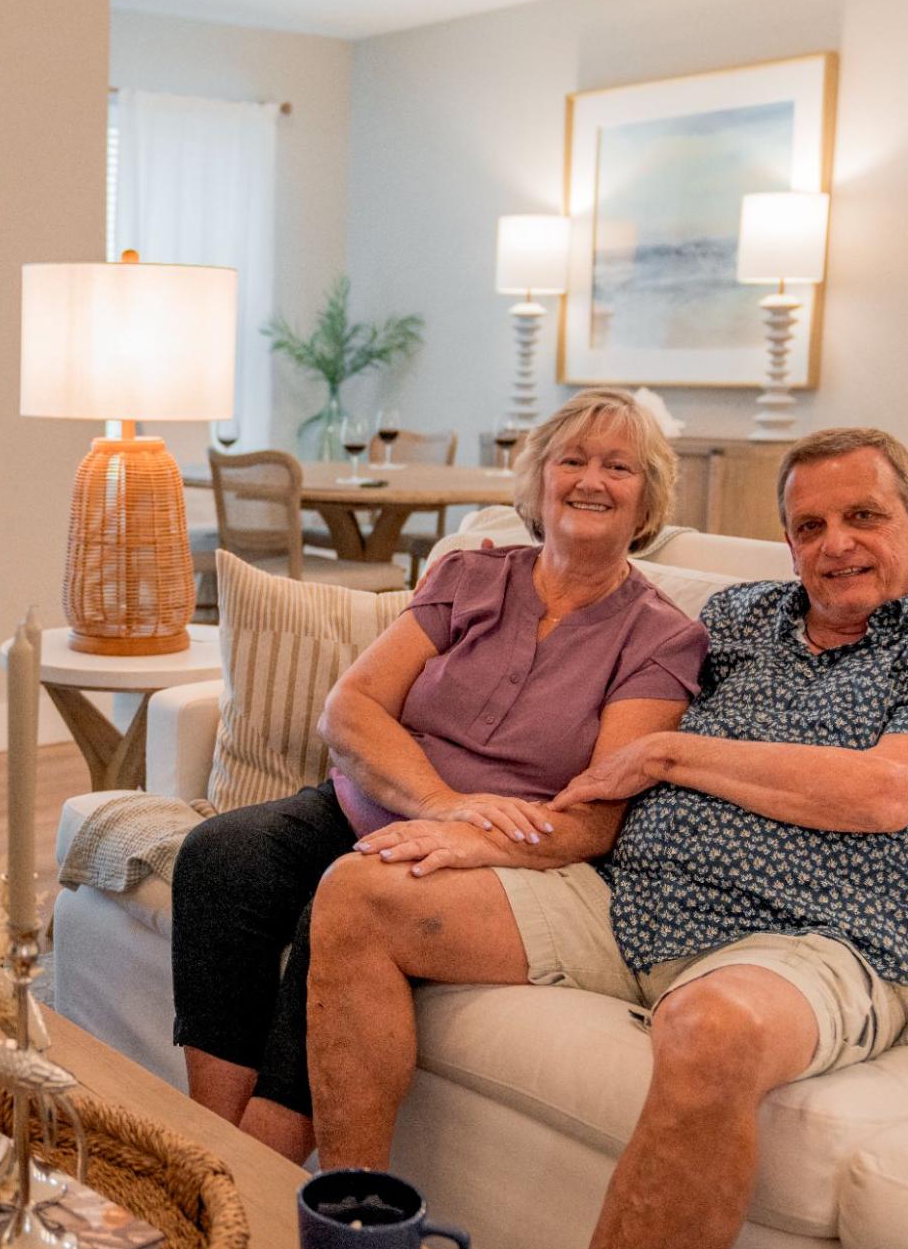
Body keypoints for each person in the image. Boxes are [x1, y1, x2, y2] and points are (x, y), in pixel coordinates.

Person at [305, 427, 908, 1249]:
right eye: (808, 527)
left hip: (813, 941)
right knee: (363, 890)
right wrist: (483, 815)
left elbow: (884, 793)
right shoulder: (739, 618)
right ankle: (355, 1246)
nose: (834, 543)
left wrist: (672, 754)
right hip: (622, 900)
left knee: (711, 1027)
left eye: (862, 516)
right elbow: (603, 668)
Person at [170, 389, 711, 1162]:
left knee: (343, 905)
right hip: (379, 802)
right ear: (537, 480)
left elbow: (597, 814)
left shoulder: (661, 635)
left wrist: (469, 836)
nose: (591, 479)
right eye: (572, 459)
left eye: (618, 466)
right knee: (220, 856)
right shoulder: (467, 575)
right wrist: (440, 801)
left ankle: (257, 1164)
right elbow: (351, 706)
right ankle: (210, 1147)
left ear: (646, 498)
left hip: (495, 852)